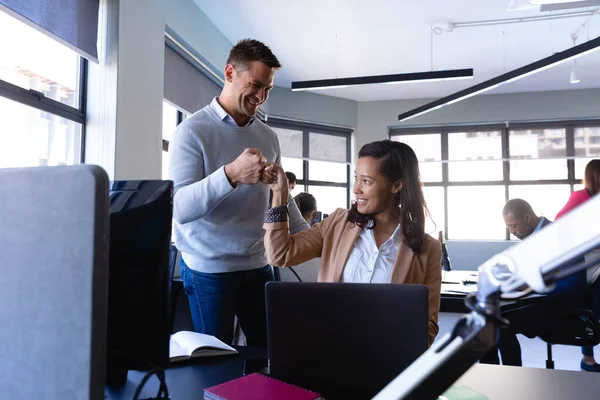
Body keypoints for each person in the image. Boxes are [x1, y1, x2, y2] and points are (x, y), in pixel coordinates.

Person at [168, 39, 308, 346]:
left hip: (259, 266)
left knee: (267, 355)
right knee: (215, 363)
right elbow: (179, 208)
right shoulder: (191, 132)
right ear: (230, 73)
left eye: (268, 89)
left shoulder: (267, 136)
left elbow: (283, 203)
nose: (261, 97)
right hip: (209, 271)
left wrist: (321, 239)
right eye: (255, 85)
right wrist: (231, 174)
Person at [262, 140, 442, 345]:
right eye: (356, 179)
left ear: (397, 185)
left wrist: (394, 351)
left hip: (386, 357)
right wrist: (279, 195)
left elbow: (428, 325)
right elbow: (279, 254)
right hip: (330, 349)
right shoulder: (337, 224)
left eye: (366, 181)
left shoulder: (428, 249)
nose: (356, 189)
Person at [480, 199, 587, 366]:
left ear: (527, 218)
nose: (512, 231)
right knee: (487, 318)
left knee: (500, 322)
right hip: (539, 303)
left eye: (514, 226)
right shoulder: (534, 236)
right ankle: (488, 375)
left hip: (564, 310)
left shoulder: (558, 235)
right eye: (508, 227)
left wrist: (533, 287)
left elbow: (575, 284)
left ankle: (511, 377)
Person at [555, 159, 600, 372]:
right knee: (593, 308)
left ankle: (587, 359)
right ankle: (588, 359)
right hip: (587, 257)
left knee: (593, 308)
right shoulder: (580, 197)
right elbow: (559, 225)